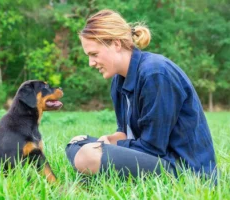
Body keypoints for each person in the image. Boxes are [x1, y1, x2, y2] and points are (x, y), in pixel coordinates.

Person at [65, 9, 217, 180]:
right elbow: (127, 134)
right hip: (152, 156)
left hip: (184, 169)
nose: (91, 63)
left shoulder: (155, 73)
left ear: (116, 44)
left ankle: (93, 169)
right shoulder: (118, 81)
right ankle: (94, 167)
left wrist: (108, 148)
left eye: (94, 54)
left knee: (88, 156)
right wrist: (108, 139)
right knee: (76, 143)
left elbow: (153, 147)